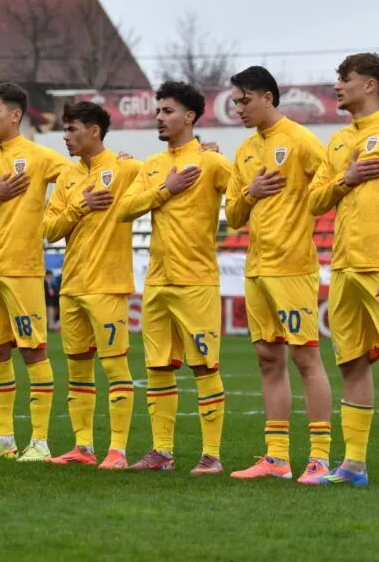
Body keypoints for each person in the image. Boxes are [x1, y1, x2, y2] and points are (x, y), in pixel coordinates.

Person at [307, 53, 379, 489]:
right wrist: (348, 178)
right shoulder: (339, 142)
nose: (337, 85)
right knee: (352, 365)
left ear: (370, 85)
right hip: (343, 269)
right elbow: (314, 201)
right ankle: (354, 465)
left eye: (345, 78)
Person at [224, 67, 334, 483]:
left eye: (244, 100)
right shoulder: (244, 151)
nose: (238, 109)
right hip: (256, 268)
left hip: (293, 266)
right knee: (268, 359)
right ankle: (276, 458)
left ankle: (320, 458)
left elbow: (329, 189)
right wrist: (250, 192)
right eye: (236, 102)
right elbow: (234, 215)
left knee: (306, 358)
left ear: (267, 97)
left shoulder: (302, 141)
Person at [118, 81, 232, 475]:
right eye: (158, 111)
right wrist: (164, 190)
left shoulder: (211, 162)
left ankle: (212, 455)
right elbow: (125, 209)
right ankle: (161, 452)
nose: (159, 117)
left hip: (196, 280)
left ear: (189, 116)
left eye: (167, 111)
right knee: (158, 367)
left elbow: (242, 194)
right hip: (157, 281)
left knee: (204, 366)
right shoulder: (152, 165)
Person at [0, 82, 68, 462]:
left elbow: (79, 176)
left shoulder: (40, 157)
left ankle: (40, 442)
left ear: (15, 115)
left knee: (33, 351)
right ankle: (4, 441)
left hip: (23, 270)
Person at [43, 101, 141, 469]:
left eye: (72, 130)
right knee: (78, 370)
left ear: (94, 131)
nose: (66, 137)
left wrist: (207, 149)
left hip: (108, 285)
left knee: (115, 368)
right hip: (72, 286)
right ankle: (82, 447)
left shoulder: (125, 168)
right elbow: (50, 230)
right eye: (64, 130)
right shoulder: (67, 177)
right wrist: (80, 207)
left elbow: (164, 173)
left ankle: (117, 451)